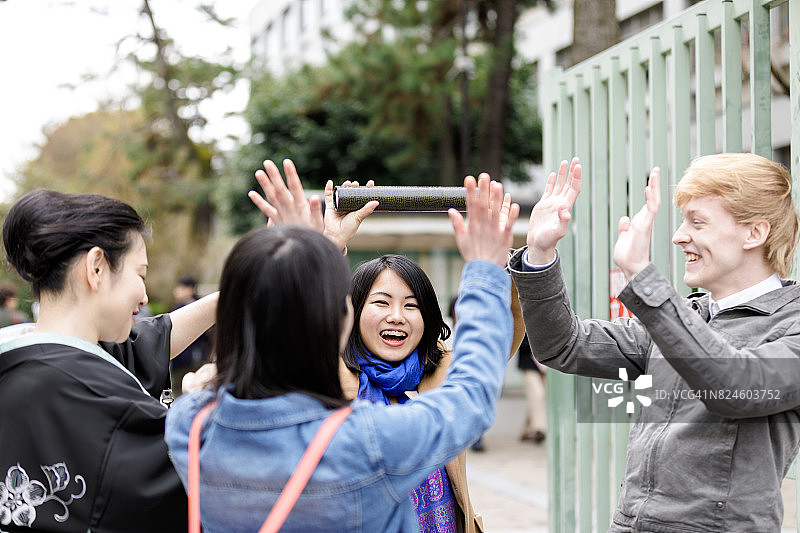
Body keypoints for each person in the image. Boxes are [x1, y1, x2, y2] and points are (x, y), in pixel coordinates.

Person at [164, 164, 520, 532]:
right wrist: (484, 269)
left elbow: (257, 347)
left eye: (411, 305)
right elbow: (471, 396)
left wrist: (299, 255)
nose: (396, 316)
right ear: (341, 321)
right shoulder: (367, 439)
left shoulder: (190, 424)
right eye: (376, 302)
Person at [509, 153, 800, 533]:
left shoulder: (791, 325)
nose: (679, 236)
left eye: (697, 222)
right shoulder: (683, 315)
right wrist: (540, 254)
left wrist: (642, 277)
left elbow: (733, 385)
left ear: (754, 233)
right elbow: (563, 345)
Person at [0, 189, 218, 532]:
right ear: (97, 267)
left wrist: (261, 276)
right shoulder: (100, 400)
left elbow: (152, 338)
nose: (144, 296)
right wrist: (198, 404)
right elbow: (203, 482)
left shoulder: (28, 357)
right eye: (140, 274)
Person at [169, 275, 213, 395]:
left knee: (180, 392)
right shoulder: (202, 306)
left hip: (188, 359)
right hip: (190, 359)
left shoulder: (190, 308)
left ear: (190, 289)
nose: (176, 291)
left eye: (181, 287)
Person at [516, 335, 546, 444]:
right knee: (537, 394)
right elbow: (519, 342)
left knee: (536, 399)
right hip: (528, 363)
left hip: (546, 365)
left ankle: (526, 429)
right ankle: (539, 429)